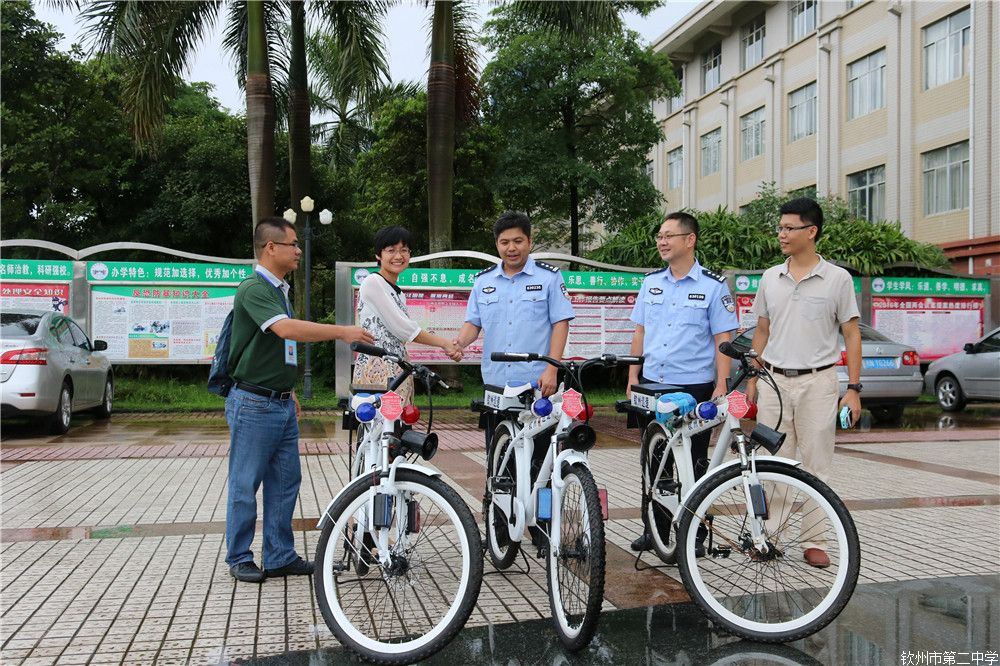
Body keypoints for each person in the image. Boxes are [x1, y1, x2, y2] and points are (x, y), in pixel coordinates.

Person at [225, 216, 373, 584]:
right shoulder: (254, 288)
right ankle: (239, 556)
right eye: (293, 244)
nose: (299, 250)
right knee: (246, 484)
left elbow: (278, 347)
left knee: (286, 481)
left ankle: (278, 555)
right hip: (254, 403)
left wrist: (289, 392)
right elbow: (285, 330)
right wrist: (341, 331)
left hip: (278, 402)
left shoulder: (279, 290)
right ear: (270, 248)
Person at [747, 197, 862, 569]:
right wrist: (752, 377)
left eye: (789, 228)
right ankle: (770, 537)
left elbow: (852, 334)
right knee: (773, 463)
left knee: (816, 464)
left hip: (819, 382)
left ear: (811, 231)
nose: (781, 234)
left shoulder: (837, 279)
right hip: (773, 382)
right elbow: (762, 330)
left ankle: (814, 540)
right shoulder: (769, 277)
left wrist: (854, 389)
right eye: (779, 227)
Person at [626, 212, 739, 552]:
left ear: (689, 240)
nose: (662, 241)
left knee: (696, 463)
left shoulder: (712, 286)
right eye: (659, 235)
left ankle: (696, 536)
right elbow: (640, 331)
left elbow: (724, 339)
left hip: (695, 387)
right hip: (653, 384)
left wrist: (722, 384)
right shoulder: (651, 283)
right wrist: (632, 376)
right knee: (654, 458)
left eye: (669, 235)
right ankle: (656, 532)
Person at [453, 211, 575, 445]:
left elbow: (560, 323)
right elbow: (473, 324)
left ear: (529, 242)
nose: (511, 248)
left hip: (537, 383)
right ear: (497, 244)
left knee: (538, 456)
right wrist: (459, 344)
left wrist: (552, 369)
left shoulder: (549, 277)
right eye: (504, 242)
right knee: (497, 456)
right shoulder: (483, 281)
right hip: (496, 382)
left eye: (518, 241)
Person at [353, 226, 464, 402]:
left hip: (398, 370)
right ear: (378, 255)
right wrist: (445, 343)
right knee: (380, 427)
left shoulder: (398, 293)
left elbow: (403, 334)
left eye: (404, 250)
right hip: (376, 371)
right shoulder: (372, 282)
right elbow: (404, 329)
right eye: (391, 250)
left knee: (400, 427)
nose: (398, 256)